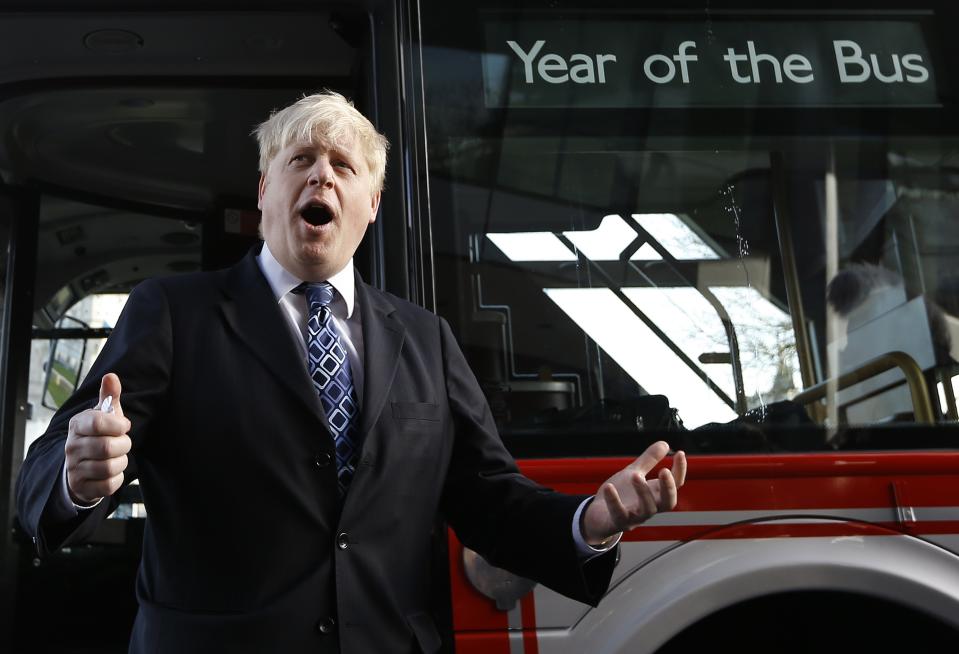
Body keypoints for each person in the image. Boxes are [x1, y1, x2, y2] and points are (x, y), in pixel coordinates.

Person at [16, 92, 687, 654]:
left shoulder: (425, 339)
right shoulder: (172, 313)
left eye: (343, 165)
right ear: (263, 191)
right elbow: (48, 468)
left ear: (371, 202)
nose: (321, 176)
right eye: (300, 160)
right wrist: (79, 476)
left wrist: (592, 521)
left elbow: (488, 500)